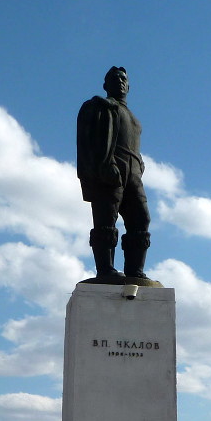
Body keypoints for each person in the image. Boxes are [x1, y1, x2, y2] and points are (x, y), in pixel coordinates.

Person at [77, 66, 151, 280]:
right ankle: (105, 270)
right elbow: (88, 141)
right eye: (114, 78)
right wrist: (102, 164)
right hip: (110, 168)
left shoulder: (132, 116)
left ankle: (135, 271)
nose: (119, 81)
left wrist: (139, 163)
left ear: (128, 86)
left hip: (133, 171)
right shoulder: (100, 106)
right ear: (105, 85)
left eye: (122, 79)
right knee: (105, 220)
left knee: (141, 219)